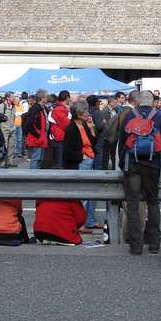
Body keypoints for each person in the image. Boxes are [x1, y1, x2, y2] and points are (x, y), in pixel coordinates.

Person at [119, 90, 161, 255]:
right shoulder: (158, 118)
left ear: (136, 101)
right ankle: (154, 244)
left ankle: (136, 246)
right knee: (153, 203)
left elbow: (122, 143)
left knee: (133, 204)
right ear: (152, 103)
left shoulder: (129, 116)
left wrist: (123, 165)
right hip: (153, 165)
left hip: (133, 166)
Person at [63, 100, 100, 233]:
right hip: (81, 163)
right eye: (85, 111)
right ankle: (80, 224)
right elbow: (68, 151)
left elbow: (93, 141)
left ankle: (90, 220)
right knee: (83, 196)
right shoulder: (71, 128)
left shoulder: (83, 124)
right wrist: (82, 156)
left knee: (92, 194)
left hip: (88, 160)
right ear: (79, 113)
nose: (88, 113)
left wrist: (91, 128)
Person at [25, 89, 49, 169]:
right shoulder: (35, 109)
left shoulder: (42, 108)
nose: (47, 98)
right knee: (36, 158)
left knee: (39, 159)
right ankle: (33, 177)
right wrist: (37, 134)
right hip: (37, 137)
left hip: (41, 136)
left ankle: (37, 176)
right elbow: (29, 124)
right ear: (42, 98)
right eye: (46, 97)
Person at [49, 91, 71, 169]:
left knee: (62, 162)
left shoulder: (60, 108)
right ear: (67, 98)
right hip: (60, 138)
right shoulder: (58, 109)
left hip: (61, 137)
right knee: (60, 164)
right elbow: (66, 125)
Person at [0, 92, 17, 168]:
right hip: (4, 129)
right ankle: (3, 163)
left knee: (11, 146)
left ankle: (10, 162)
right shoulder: (2, 106)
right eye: (12, 97)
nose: (14, 98)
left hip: (12, 128)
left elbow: (14, 117)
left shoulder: (13, 106)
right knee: (4, 146)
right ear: (8, 98)